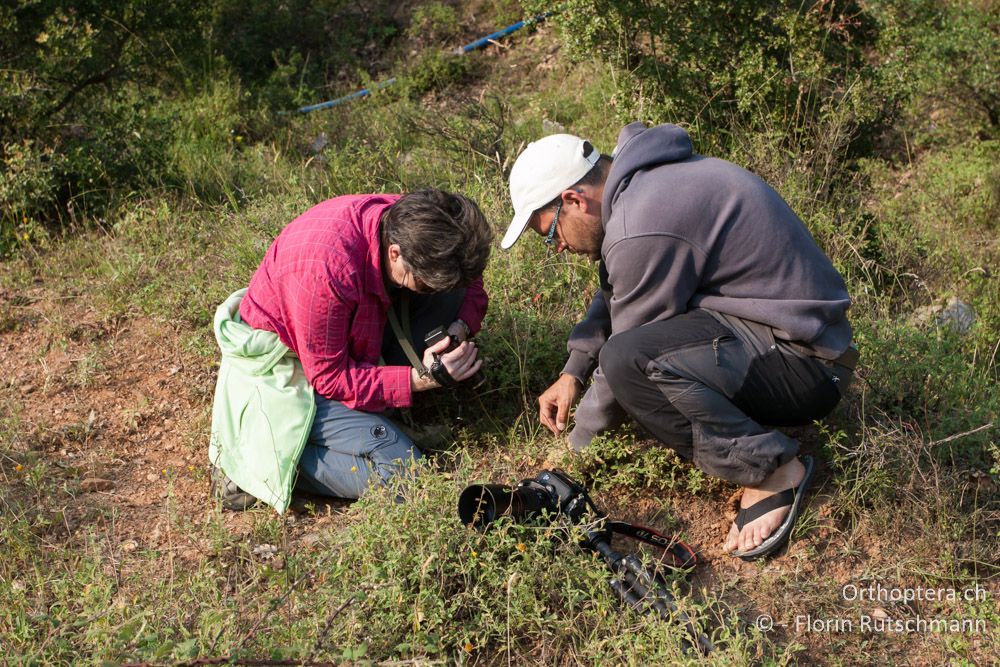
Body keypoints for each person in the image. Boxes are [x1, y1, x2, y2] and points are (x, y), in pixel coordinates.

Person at [502, 123, 857, 559]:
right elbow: (619, 288)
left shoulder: (639, 223)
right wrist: (573, 371)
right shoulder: (641, 188)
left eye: (550, 231)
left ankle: (771, 471)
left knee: (629, 360)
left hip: (806, 366)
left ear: (574, 200)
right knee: (631, 354)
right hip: (793, 337)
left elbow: (625, 354)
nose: (557, 246)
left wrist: (575, 453)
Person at [209, 189, 492, 512]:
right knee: (405, 477)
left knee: (450, 294)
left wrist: (458, 329)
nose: (433, 289)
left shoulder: (421, 222)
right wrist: (422, 379)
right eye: (426, 282)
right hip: (294, 366)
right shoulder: (328, 272)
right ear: (396, 254)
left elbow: (470, 280)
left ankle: (381, 410)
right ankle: (264, 461)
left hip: (350, 330)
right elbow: (330, 377)